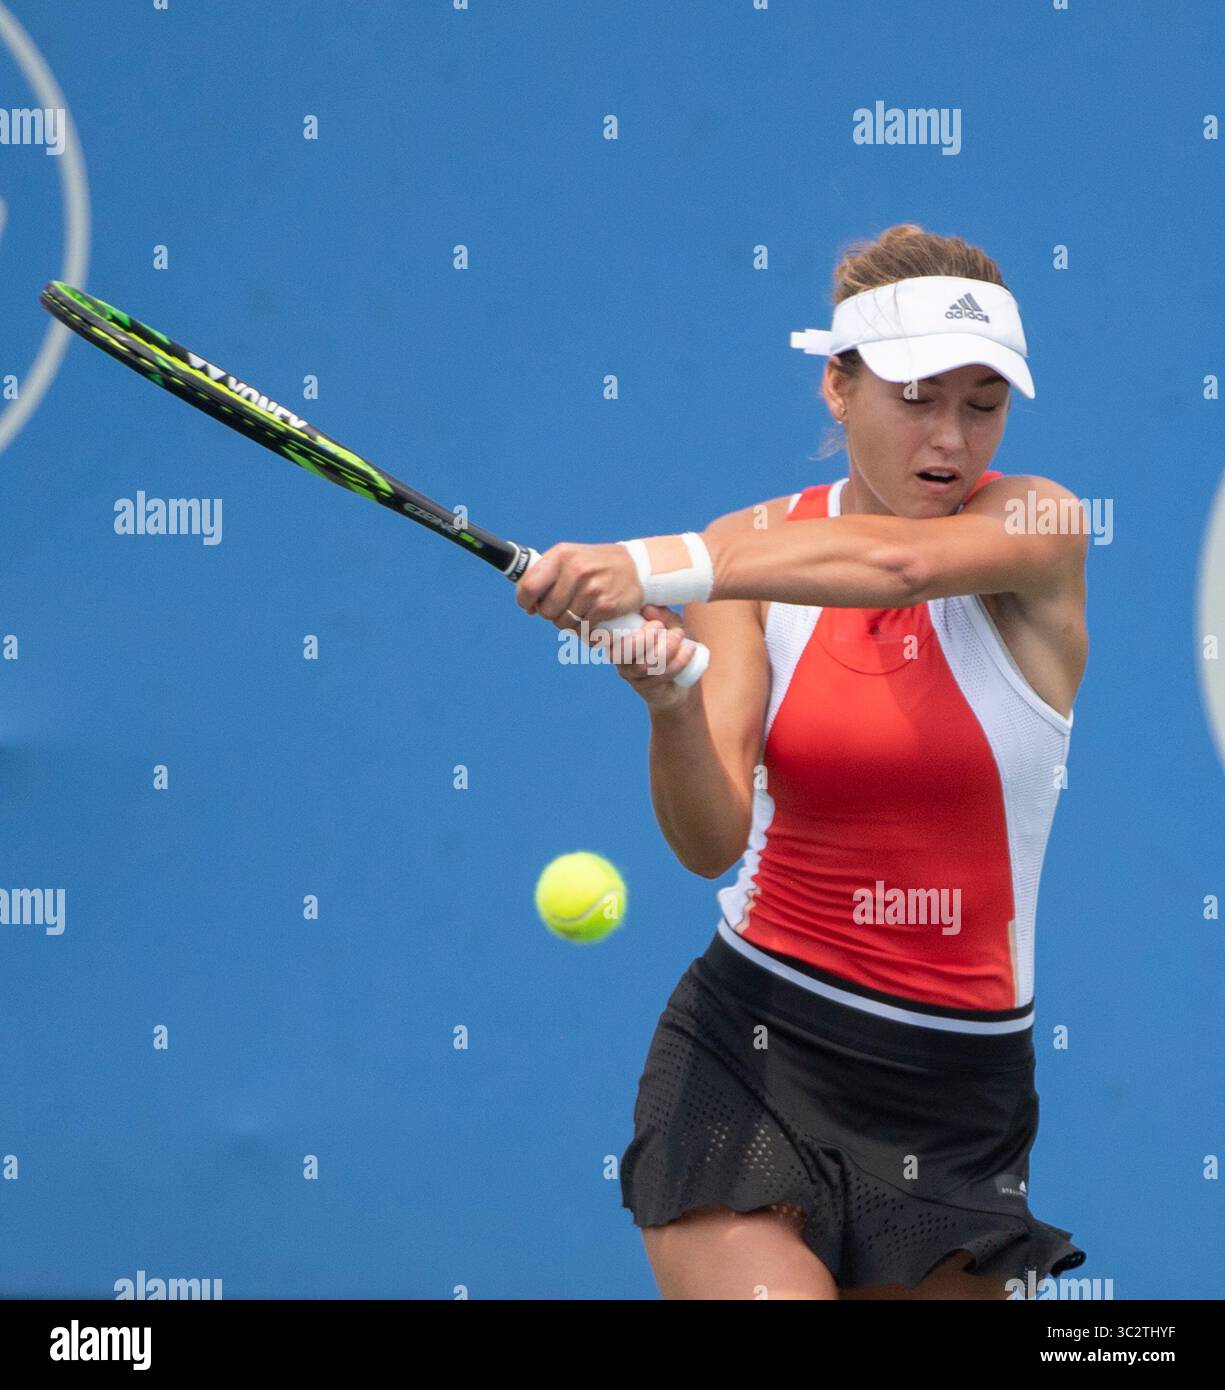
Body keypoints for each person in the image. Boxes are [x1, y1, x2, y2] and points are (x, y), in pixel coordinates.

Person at [517, 224, 1089, 1300]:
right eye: (916, 395)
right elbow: (709, 841)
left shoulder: (1041, 524)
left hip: (957, 1091)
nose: (952, 438)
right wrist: (670, 699)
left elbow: (900, 562)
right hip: (755, 1043)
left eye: (982, 401)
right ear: (838, 386)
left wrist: (647, 563)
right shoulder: (748, 550)